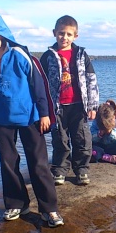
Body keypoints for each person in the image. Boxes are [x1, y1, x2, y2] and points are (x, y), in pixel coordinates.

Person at [0, 12, 63, 228]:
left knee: (38, 164)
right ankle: (17, 204)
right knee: (8, 164)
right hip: (3, 121)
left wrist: (45, 113)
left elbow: (38, 85)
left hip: (31, 118)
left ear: (3, 34)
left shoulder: (20, 55)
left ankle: (50, 209)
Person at [40, 15, 99, 186]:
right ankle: (59, 170)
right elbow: (41, 82)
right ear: (54, 33)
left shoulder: (81, 55)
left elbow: (91, 80)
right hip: (57, 107)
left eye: (68, 34)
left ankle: (81, 170)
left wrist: (93, 106)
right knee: (60, 139)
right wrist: (43, 108)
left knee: (82, 139)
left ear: (75, 36)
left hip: (79, 106)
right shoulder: (48, 56)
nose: (64, 38)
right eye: (61, 33)